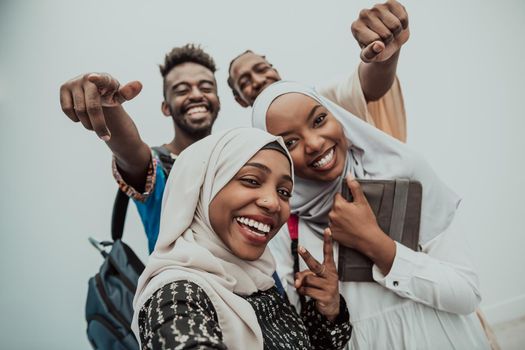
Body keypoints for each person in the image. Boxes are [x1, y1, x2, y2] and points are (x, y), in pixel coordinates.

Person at [251, 81, 491, 349]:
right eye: (291, 142)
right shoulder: (286, 220)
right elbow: (299, 333)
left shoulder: (402, 171)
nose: (315, 143)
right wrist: (330, 309)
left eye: (319, 120)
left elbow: (466, 294)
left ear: (337, 115)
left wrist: (374, 242)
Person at [132, 128, 352, 349]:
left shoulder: (259, 281)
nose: (273, 203)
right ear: (205, 187)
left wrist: (328, 310)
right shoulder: (176, 297)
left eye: (284, 192)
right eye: (252, 181)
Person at [59, 44, 220, 252]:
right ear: (166, 107)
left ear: (218, 101)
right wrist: (107, 103)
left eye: (206, 88)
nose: (197, 95)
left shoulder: (240, 159)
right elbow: (130, 151)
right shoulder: (157, 166)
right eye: (182, 90)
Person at [228, 0, 408, 142]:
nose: (258, 80)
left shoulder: (322, 99)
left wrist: (383, 56)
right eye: (245, 82)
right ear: (239, 100)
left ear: (275, 72)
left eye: (319, 120)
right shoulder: (254, 149)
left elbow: (366, 87)